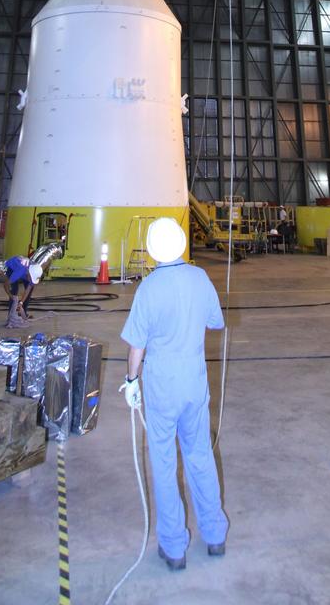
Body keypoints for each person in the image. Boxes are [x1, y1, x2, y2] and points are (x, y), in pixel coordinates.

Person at [120, 216, 228, 571]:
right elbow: (216, 321)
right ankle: (214, 535)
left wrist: (131, 381)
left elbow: (136, 345)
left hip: (162, 385)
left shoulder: (149, 288)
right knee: (200, 455)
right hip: (194, 382)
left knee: (164, 465)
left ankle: (174, 546)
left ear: (152, 249)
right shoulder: (199, 277)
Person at [3, 255, 43, 327]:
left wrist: (21, 302)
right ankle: (10, 317)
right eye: (31, 279)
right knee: (14, 291)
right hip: (12, 267)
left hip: (25, 270)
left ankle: (22, 311)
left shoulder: (35, 270)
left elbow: (28, 289)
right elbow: (5, 285)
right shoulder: (19, 272)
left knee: (30, 288)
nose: (31, 282)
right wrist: (11, 296)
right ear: (28, 274)